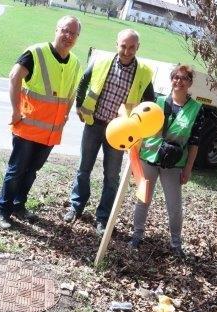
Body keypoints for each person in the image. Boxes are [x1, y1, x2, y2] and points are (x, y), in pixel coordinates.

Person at [63, 29, 155, 236]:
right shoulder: (101, 61)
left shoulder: (143, 73)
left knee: (111, 177)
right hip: (94, 124)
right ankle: (75, 207)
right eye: (123, 46)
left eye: (132, 47)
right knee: (83, 169)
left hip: (119, 134)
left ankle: (103, 218)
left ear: (137, 48)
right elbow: (84, 82)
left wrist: (140, 128)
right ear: (117, 44)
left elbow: (149, 103)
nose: (127, 51)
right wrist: (79, 105)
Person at [0, 16, 83, 229]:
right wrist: (16, 110)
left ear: (77, 37)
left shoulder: (74, 63)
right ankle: (3, 210)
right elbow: (14, 77)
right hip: (27, 127)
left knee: (31, 172)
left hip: (50, 132)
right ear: (56, 30)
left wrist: (64, 118)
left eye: (73, 33)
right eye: (65, 30)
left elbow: (71, 93)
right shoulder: (36, 53)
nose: (68, 36)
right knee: (16, 170)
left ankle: (19, 205)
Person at [130, 64, 206, 257]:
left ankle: (176, 244)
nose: (179, 82)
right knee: (143, 199)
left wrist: (188, 169)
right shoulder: (158, 101)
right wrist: (135, 160)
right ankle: (136, 236)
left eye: (184, 79)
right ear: (171, 79)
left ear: (190, 83)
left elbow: (194, 143)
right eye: (176, 77)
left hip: (174, 163)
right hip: (149, 157)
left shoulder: (196, 109)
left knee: (174, 205)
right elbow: (140, 128)